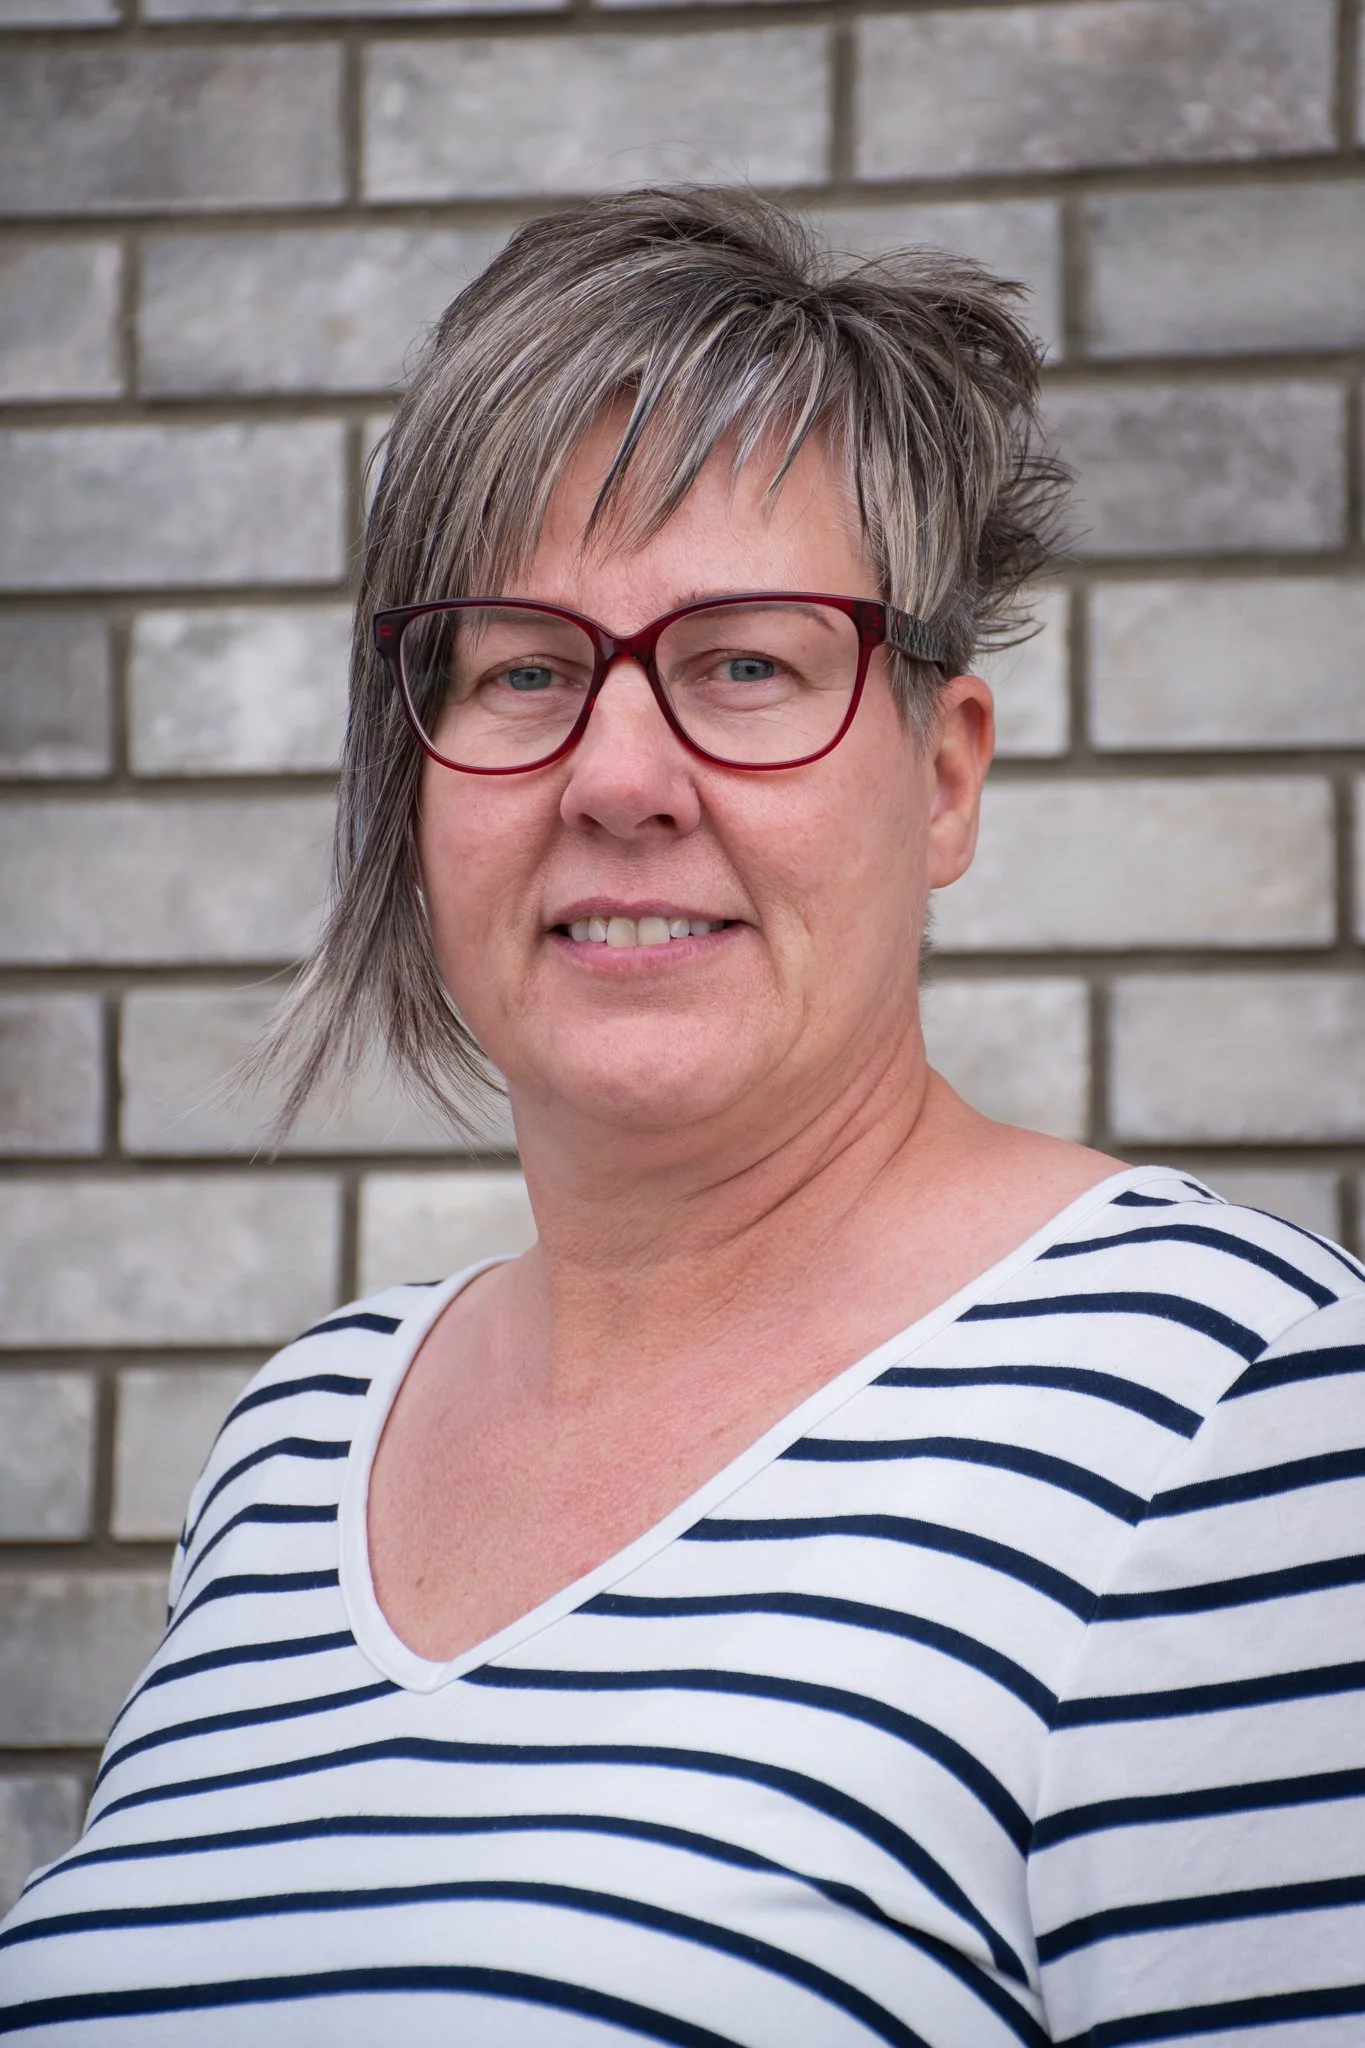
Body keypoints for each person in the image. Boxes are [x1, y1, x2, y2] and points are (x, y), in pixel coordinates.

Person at [1, 186, 1362, 2047]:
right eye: (526, 668)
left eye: (746, 662)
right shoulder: (297, 1445)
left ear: (943, 775)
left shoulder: (1243, 1408)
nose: (618, 777)